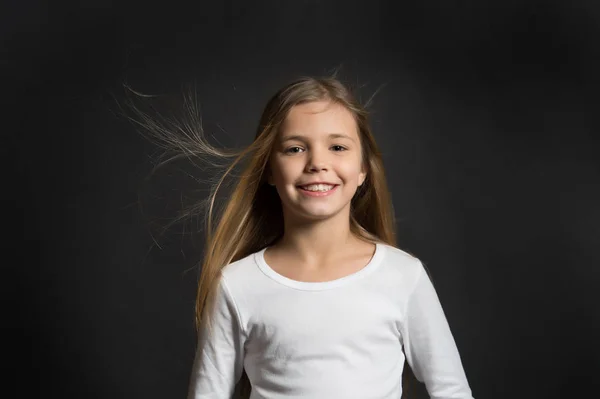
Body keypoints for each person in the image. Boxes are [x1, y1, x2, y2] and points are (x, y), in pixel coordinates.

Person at [179, 76, 474, 398]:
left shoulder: (402, 276)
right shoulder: (238, 284)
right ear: (269, 170)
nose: (318, 163)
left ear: (363, 168)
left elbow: (451, 391)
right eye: (294, 148)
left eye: (337, 147)